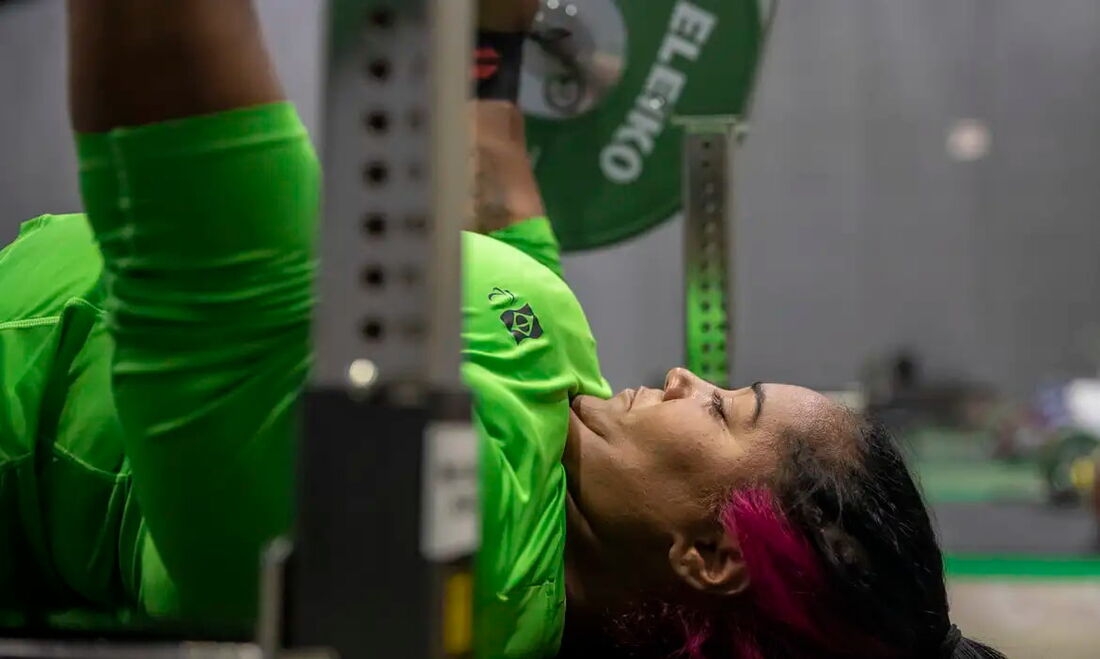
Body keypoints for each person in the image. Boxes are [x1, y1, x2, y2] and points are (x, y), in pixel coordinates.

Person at [0, 3, 1005, 659]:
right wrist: (500, 39)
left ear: (707, 553)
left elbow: (171, 115)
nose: (681, 376)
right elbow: (491, 177)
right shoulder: (572, 409)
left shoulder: (440, 558)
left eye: (723, 405)